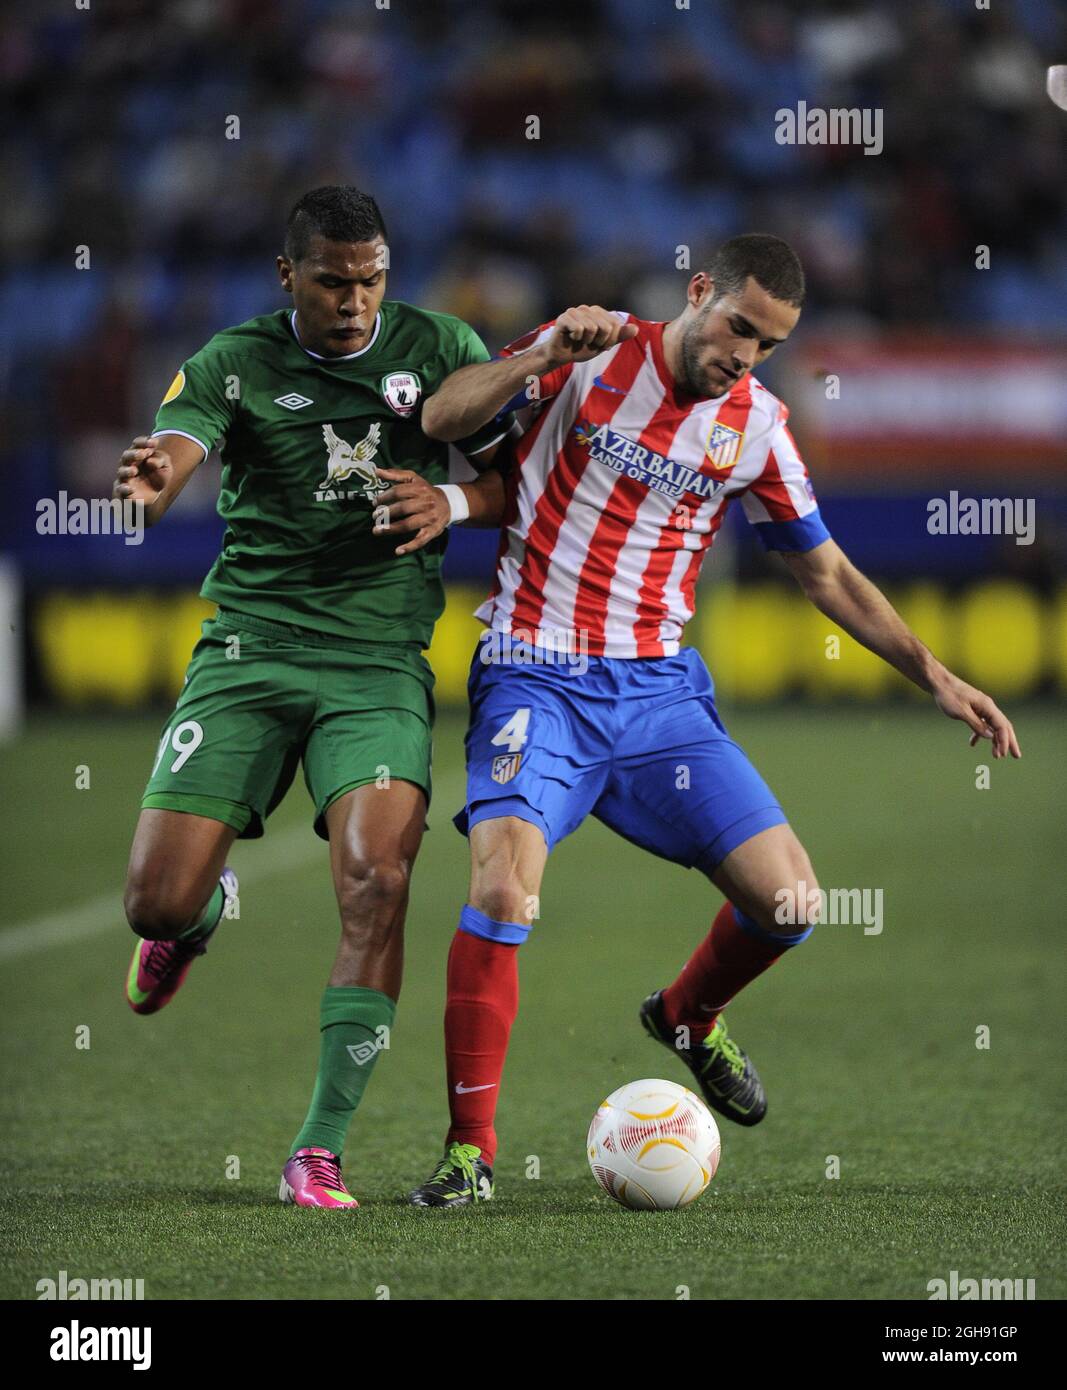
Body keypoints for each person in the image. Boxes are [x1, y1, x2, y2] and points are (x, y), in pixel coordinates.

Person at [404, 233, 1021, 1207]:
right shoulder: (594, 351)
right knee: (502, 893)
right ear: (699, 293)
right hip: (534, 678)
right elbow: (444, 414)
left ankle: (687, 1015)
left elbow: (822, 571)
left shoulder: (758, 430)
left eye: (765, 343)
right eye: (737, 327)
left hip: (658, 701)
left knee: (790, 905)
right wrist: (538, 356)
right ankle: (470, 1151)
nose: (742, 353)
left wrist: (934, 676)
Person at [113, 185, 509, 1208]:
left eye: (370, 280)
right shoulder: (230, 361)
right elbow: (173, 459)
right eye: (332, 282)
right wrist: (151, 481)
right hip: (249, 652)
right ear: (287, 275)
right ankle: (194, 919)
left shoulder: (440, 345)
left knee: (377, 880)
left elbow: (526, 483)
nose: (353, 301)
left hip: (377, 665)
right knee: (153, 897)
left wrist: (456, 499)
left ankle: (317, 1148)